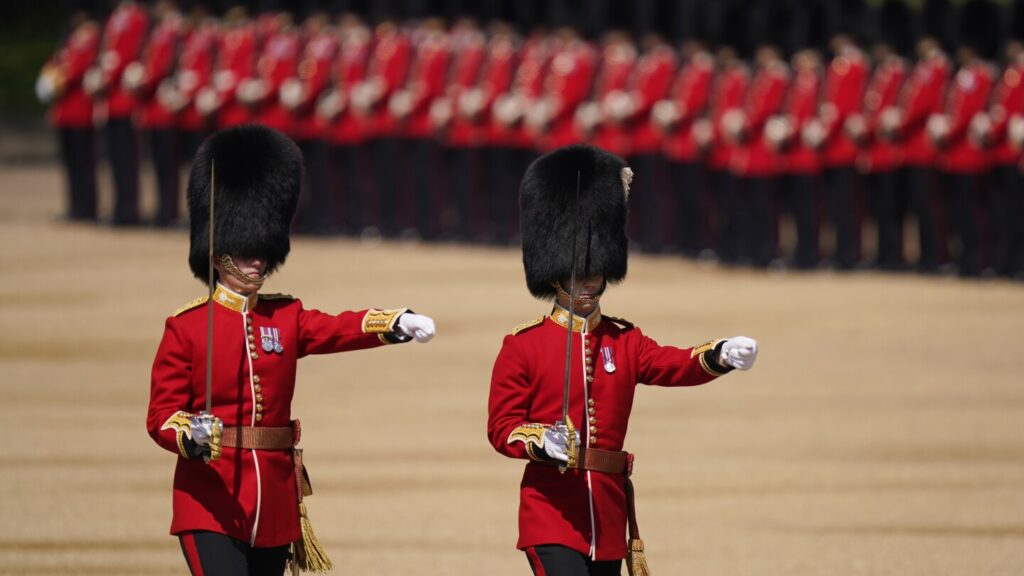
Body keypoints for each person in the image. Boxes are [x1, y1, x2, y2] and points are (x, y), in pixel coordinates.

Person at [147, 124, 437, 575]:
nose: (257, 261)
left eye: (262, 252)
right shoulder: (186, 327)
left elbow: (338, 328)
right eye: (246, 252)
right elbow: (161, 414)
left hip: (274, 501)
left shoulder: (285, 316)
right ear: (220, 253)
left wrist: (394, 322)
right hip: (211, 496)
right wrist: (190, 433)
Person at [487, 144, 758, 576]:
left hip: (607, 512)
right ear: (555, 276)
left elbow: (673, 364)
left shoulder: (624, 339)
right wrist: (540, 442)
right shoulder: (523, 345)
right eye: (580, 274)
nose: (590, 283)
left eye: (595, 274)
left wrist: (719, 355)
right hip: (550, 513)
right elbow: (502, 428)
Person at [37, 10, 100, 222]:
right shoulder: (71, 39)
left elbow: (75, 70)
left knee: (83, 162)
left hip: (80, 111)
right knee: (71, 163)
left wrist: (56, 79)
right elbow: (57, 65)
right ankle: (75, 206)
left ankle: (87, 208)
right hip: (65, 110)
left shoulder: (90, 38)